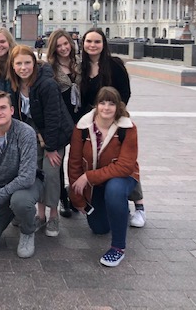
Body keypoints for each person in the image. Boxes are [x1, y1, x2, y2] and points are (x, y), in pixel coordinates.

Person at [80, 28, 145, 228]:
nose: (92, 45)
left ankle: (139, 206)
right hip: (91, 122)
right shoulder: (81, 67)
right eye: (89, 41)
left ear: (103, 44)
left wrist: (114, 115)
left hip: (115, 118)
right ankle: (108, 197)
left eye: (97, 41)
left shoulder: (114, 64)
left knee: (125, 160)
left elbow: (125, 92)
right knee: (97, 159)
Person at [68, 86, 140, 267]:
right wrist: (78, 199)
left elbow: (125, 166)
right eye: (102, 102)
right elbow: (74, 163)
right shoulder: (83, 128)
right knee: (99, 228)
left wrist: (89, 177)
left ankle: (118, 248)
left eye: (111, 103)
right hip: (97, 183)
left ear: (118, 106)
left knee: (115, 190)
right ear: (96, 105)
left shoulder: (127, 128)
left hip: (123, 177)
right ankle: (119, 211)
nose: (106, 108)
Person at [8, 45, 74, 238]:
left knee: (51, 172)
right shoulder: (14, 85)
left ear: (34, 64)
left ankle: (53, 215)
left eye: (27, 63)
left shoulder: (46, 84)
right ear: (12, 66)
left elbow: (54, 118)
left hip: (55, 136)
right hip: (34, 136)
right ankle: (40, 214)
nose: (23, 67)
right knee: (36, 172)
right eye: (19, 63)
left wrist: (52, 148)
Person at [0, 90, 43, 258]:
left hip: (28, 185)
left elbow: (26, 177)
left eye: (3, 108)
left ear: (12, 110)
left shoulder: (25, 133)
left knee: (20, 201)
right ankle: (14, 213)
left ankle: (27, 230)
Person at [46, 29, 82, 218]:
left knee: (78, 161)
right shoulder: (49, 68)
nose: (63, 48)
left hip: (81, 118)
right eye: (58, 45)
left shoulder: (80, 65)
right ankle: (62, 199)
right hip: (60, 120)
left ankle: (77, 197)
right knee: (58, 163)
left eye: (65, 44)